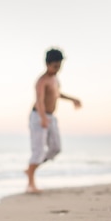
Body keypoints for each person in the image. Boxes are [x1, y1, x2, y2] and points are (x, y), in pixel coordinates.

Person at [25, 48, 81, 193]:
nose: (57, 69)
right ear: (47, 64)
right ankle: (31, 183)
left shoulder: (55, 79)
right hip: (39, 115)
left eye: (59, 66)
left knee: (56, 148)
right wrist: (43, 118)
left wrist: (72, 99)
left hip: (51, 117)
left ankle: (31, 169)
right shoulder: (41, 81)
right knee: (38, 150)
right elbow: (39, 101)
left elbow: (57, 94)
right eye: (55, 66)